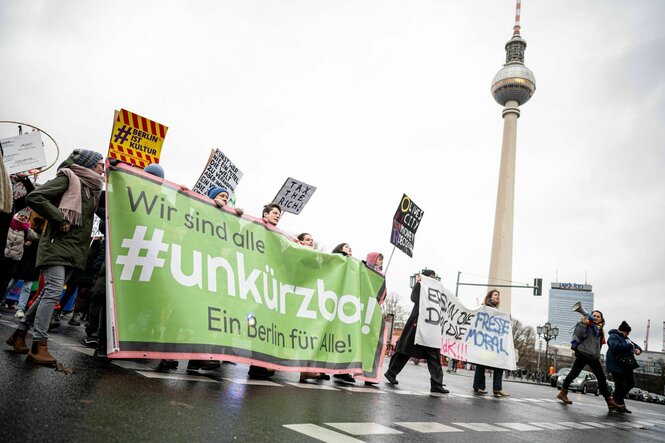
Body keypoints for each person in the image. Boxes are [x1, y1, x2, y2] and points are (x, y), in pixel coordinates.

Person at [6, 149, 104, 364]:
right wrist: (60, 218)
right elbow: (35, 197)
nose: (102, 167)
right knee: (51, 293)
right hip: (56, 245)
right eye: (99, 163)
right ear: (87, 164)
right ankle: (38, 344)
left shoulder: (92, 187)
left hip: (74, 250)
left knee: (46, 294)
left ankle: (19, 335)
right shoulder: (69, 178)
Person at [384, 269, 448, 394]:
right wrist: (419, 284)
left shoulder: (437, 290)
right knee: (405, 350)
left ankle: (437, 383)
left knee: (434, 354)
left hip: (431, 327)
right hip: (417, 324)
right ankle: (391, 372)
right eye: (431, 276)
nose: (433, 278)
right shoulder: (421, 286)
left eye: (434, 277)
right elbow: (414, 298)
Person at [556, 309, 620, 411]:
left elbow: (598, 345)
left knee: (601, 378)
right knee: (574, 373)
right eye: (594, 315)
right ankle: (563, 392)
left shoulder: (600, 329)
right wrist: (583, 323)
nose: (595, 317)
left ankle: (609, 401)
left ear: (601, 319)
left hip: (593, 357)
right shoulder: (586, 324)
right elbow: (579, 334)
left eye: (598, 316)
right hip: (583, 353)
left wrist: (597, 355)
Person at [472, 290, 510, 396]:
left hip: (492, 344)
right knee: (482, 364)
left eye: (499, 295)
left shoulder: (495, 310)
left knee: (497, 364)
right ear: (490, 297)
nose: (498, 296)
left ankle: (485, 387)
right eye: (496, 295)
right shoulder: (486, 308)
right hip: (485, 342)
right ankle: (482, 386)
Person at [606, 321, 642, 413]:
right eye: (627, 332)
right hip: (616, 364)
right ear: (622, 331)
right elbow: (616, 347)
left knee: (630, 383)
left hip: (626, 365)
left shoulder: (626, 338)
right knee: (620, 385)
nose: (628, 334)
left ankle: (615, 400)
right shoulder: (613, 336)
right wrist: (629, 345)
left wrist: (638, 349)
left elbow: (635, 345)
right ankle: (619, 405)